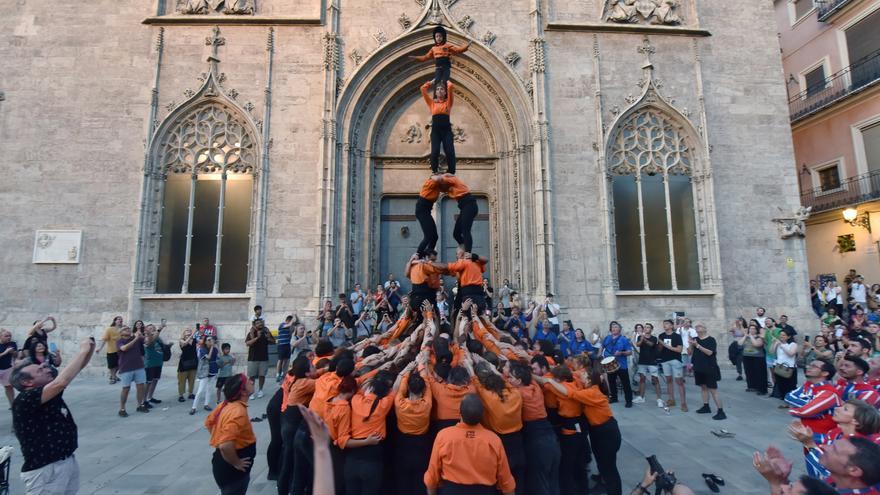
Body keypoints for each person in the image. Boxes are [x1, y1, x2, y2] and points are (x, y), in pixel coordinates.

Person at [11, 337, 94, 495]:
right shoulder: (25, 399)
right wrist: (82, 350)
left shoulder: (47, 393)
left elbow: (74, 371)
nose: (46, 368)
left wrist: (88, 350)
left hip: (65, 461)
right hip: (45, 470)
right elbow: (61, 382)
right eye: (40, 370)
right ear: (28, 382)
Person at [424, 394, 516, 495]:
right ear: (482, 415)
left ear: (459, 413)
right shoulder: (494, 440)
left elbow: (432, 478)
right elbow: (507, 483)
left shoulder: (443, 437)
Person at [506, 360, 560, 495]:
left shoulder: (518, 394)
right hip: (550, 436)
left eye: (511, 377)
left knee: (539, 484)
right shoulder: (535, 387)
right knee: (553, 481)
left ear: (518, 381)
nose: (508, 379)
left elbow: (502, 385)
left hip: (536, 442)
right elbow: (532, 377)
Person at [205, 373, 256, 495]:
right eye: (248, 381)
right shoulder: (237, 412)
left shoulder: (224, 404)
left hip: (223, 462)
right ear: (243, 392)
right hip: (232, 469)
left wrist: (219, 436)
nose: (252, 382)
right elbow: (225, 445)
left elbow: (209, 423)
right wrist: (236, 462)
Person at [785, 360, 840, 436]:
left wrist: (793, 410)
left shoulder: (829, 392)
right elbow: (788, 397)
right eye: (809, 365)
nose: (808, 367)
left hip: (823, 435)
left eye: (814, 366)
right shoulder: (809, 384)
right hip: (807, 431)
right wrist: (813, 406)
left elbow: (804, 411)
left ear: (825, 373)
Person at [687, 323, 725, 420]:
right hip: (698, 367)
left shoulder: (711, 340)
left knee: (713, 389)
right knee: (703, 387)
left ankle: (721, 411)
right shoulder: (695, 339)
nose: (697, 328)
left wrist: (698, 345)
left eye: (700, 326)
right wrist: (691, 344)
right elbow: (689, 353)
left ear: (705, 329)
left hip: (709, 368)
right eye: (696, 327)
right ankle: (706, 406)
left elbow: (710, 352)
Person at [116, 326, 149, 416]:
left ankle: (140, 405)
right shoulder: (120, 341)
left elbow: (147, 342)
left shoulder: (136, 338)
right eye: (125, 329)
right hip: (126, 368)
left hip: (139, 366)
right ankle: (122, 408)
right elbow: (124, 348)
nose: (128, 330)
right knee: (126, 388)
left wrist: (146, 334)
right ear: (121, 333)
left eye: (129, 329)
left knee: (141, 386)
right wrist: (135, 339)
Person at [440, 174, 478, 251]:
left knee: (465, 230)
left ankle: (468, 253)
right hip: (464, 207)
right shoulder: (450, 188)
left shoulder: (454, 180)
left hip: (470, 205)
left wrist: (439, 176)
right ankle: (463, 248)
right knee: (456, 234)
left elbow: (441, 179)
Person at [657, 319, 687, 411]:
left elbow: (679, 350)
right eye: (664, 324)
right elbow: (659, 349)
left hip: (675, 360)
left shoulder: (677, 336)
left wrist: (664, 344)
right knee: (668, 380)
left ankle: (683, 403)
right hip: (665, 360)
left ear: (671, 326)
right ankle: (671, 399)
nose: (664, 325)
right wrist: (660, 345)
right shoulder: (661, 335)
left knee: (679, 382)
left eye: (666, 324)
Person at [603, 321, 634, 407]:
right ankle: (614, 398)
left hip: (621, 364)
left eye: (616, 327)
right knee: (611, 381)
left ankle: (628, 400)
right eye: (612, 327)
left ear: (619, 329)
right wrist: (601, 355)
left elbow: (630, 352)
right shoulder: (607, 338)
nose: (614, 328)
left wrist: (621, 353)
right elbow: (602, 347)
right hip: (610, 364)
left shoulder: (624, 339)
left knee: (625, 383)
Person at [634, 323, 663, 407]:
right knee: (642, 379)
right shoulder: (640, 337)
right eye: (645, 327)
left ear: (651, 329)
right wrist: (642, 339)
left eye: (648, 327)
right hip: (642, 361)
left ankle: (659, 399)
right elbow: (638, 344)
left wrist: (644, 339)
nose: (646, 329)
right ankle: (641, 397)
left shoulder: (654, 338)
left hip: (652, 361)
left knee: (655, 380)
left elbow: (651, 345)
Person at [246, 319, 275, 399]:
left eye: (260, 323)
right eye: (257, 323)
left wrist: (268, 338)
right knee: (252, 376)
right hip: (253, 358)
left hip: (264, 358)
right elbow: (247, 343)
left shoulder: (266, 332)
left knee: (262, 375)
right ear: (255, 325)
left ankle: (260, 390)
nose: (260, 324)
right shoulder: (251, 333)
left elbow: (273, 341)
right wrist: (257, 338)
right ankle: (251, 392)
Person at [191, 336, 220, 415]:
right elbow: (208, 357)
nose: (210, 341)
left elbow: (219, 356)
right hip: (205, 371)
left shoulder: (215, 349)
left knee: (209, 389)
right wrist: (212, 347)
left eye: (211, 340)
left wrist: (215, 346)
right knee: (200, 390)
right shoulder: (202, 349)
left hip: (213, 370)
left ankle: (206, 404)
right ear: (205, 342)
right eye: (208, 340)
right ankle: (194, 407)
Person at [415, 175, 442, 255]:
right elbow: (435, 178)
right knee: (428, 236)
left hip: (426, 211)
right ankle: (417, 255)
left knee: (435, 237)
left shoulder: (437, 188)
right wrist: (444, 176)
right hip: (422, 210)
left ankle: (429, 254)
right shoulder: (430, 182)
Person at [740, 323, 768, 395]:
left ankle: (762, 389)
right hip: (747, 356)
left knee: (760, 374)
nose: (751, 330)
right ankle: (752, 386)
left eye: (753, 329)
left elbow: (757, 344)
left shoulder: (760, 337)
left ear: (756, 330)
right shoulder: (746, 337)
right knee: (749, 372)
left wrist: (751, 336)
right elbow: (739, 344)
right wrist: (745, 336)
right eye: (750, 329)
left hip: (758, 357)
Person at [772, 330, 799, 403]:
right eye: (780, 335)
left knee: (790, 385)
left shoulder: (793, 344)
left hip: (789, 368)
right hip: (779, 366)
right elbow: (772, 352)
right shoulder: (778, 344)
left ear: (788, 336)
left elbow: (791, 353)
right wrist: (774, 343)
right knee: (781, 383)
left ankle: (791, 399)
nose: (781, 336)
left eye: (784, 335)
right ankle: (783, 397)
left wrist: (781, 345)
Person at [143, 324, 165, 406]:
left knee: (155, 380)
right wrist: (158, 331)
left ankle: (150, 397)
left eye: (153, 328)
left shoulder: (158, 338)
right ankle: (144, 400)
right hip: (150, 363)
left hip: (158, 362)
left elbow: (162, 345)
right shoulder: (145, 338)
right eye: (150, 328)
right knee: (148, 382)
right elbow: (150, 341)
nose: (152, 329)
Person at [97, 316, 122, 384]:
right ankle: (113, 378)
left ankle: (113, 376)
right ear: (115, 321)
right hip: (111, 350)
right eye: (118, 319)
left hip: (121, 350)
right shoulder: (109, 329)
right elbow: (104, 340)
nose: (120, 320)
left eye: (121, 319)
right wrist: (99, 348)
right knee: (112, 365)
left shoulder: (123, 329)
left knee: (119, 365)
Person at [178, 328, 199, 402]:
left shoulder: (194, 340)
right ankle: (181, 395)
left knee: (192, 379)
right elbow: (184, 344)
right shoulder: (181, 340)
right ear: (183, 333)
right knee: (182, 380)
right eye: (187, 330)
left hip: (193, 362)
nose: (189, 331)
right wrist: (193, 334)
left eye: (190, 330)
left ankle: (190, 393)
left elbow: (200, 343)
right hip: (184, 363)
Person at [0, 329, 19, 408]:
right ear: (0, 337)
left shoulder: (12, 344)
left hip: (7, 368)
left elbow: (16, 355)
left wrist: (13, 353)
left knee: (8, 387)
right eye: (6, 336)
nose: (9, 337)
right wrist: (6, 352)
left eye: (10, 336)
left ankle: (12, 405)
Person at [277, 315, 296, 383]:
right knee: (280, 360)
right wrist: (294, 319)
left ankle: (283, 373)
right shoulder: (282, 324)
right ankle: (278, 374)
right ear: (288, 320)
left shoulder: (290, 327)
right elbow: (289, 325)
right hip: (281, 345)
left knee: (286, 360)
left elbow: (293, 331)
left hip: (287, 345)